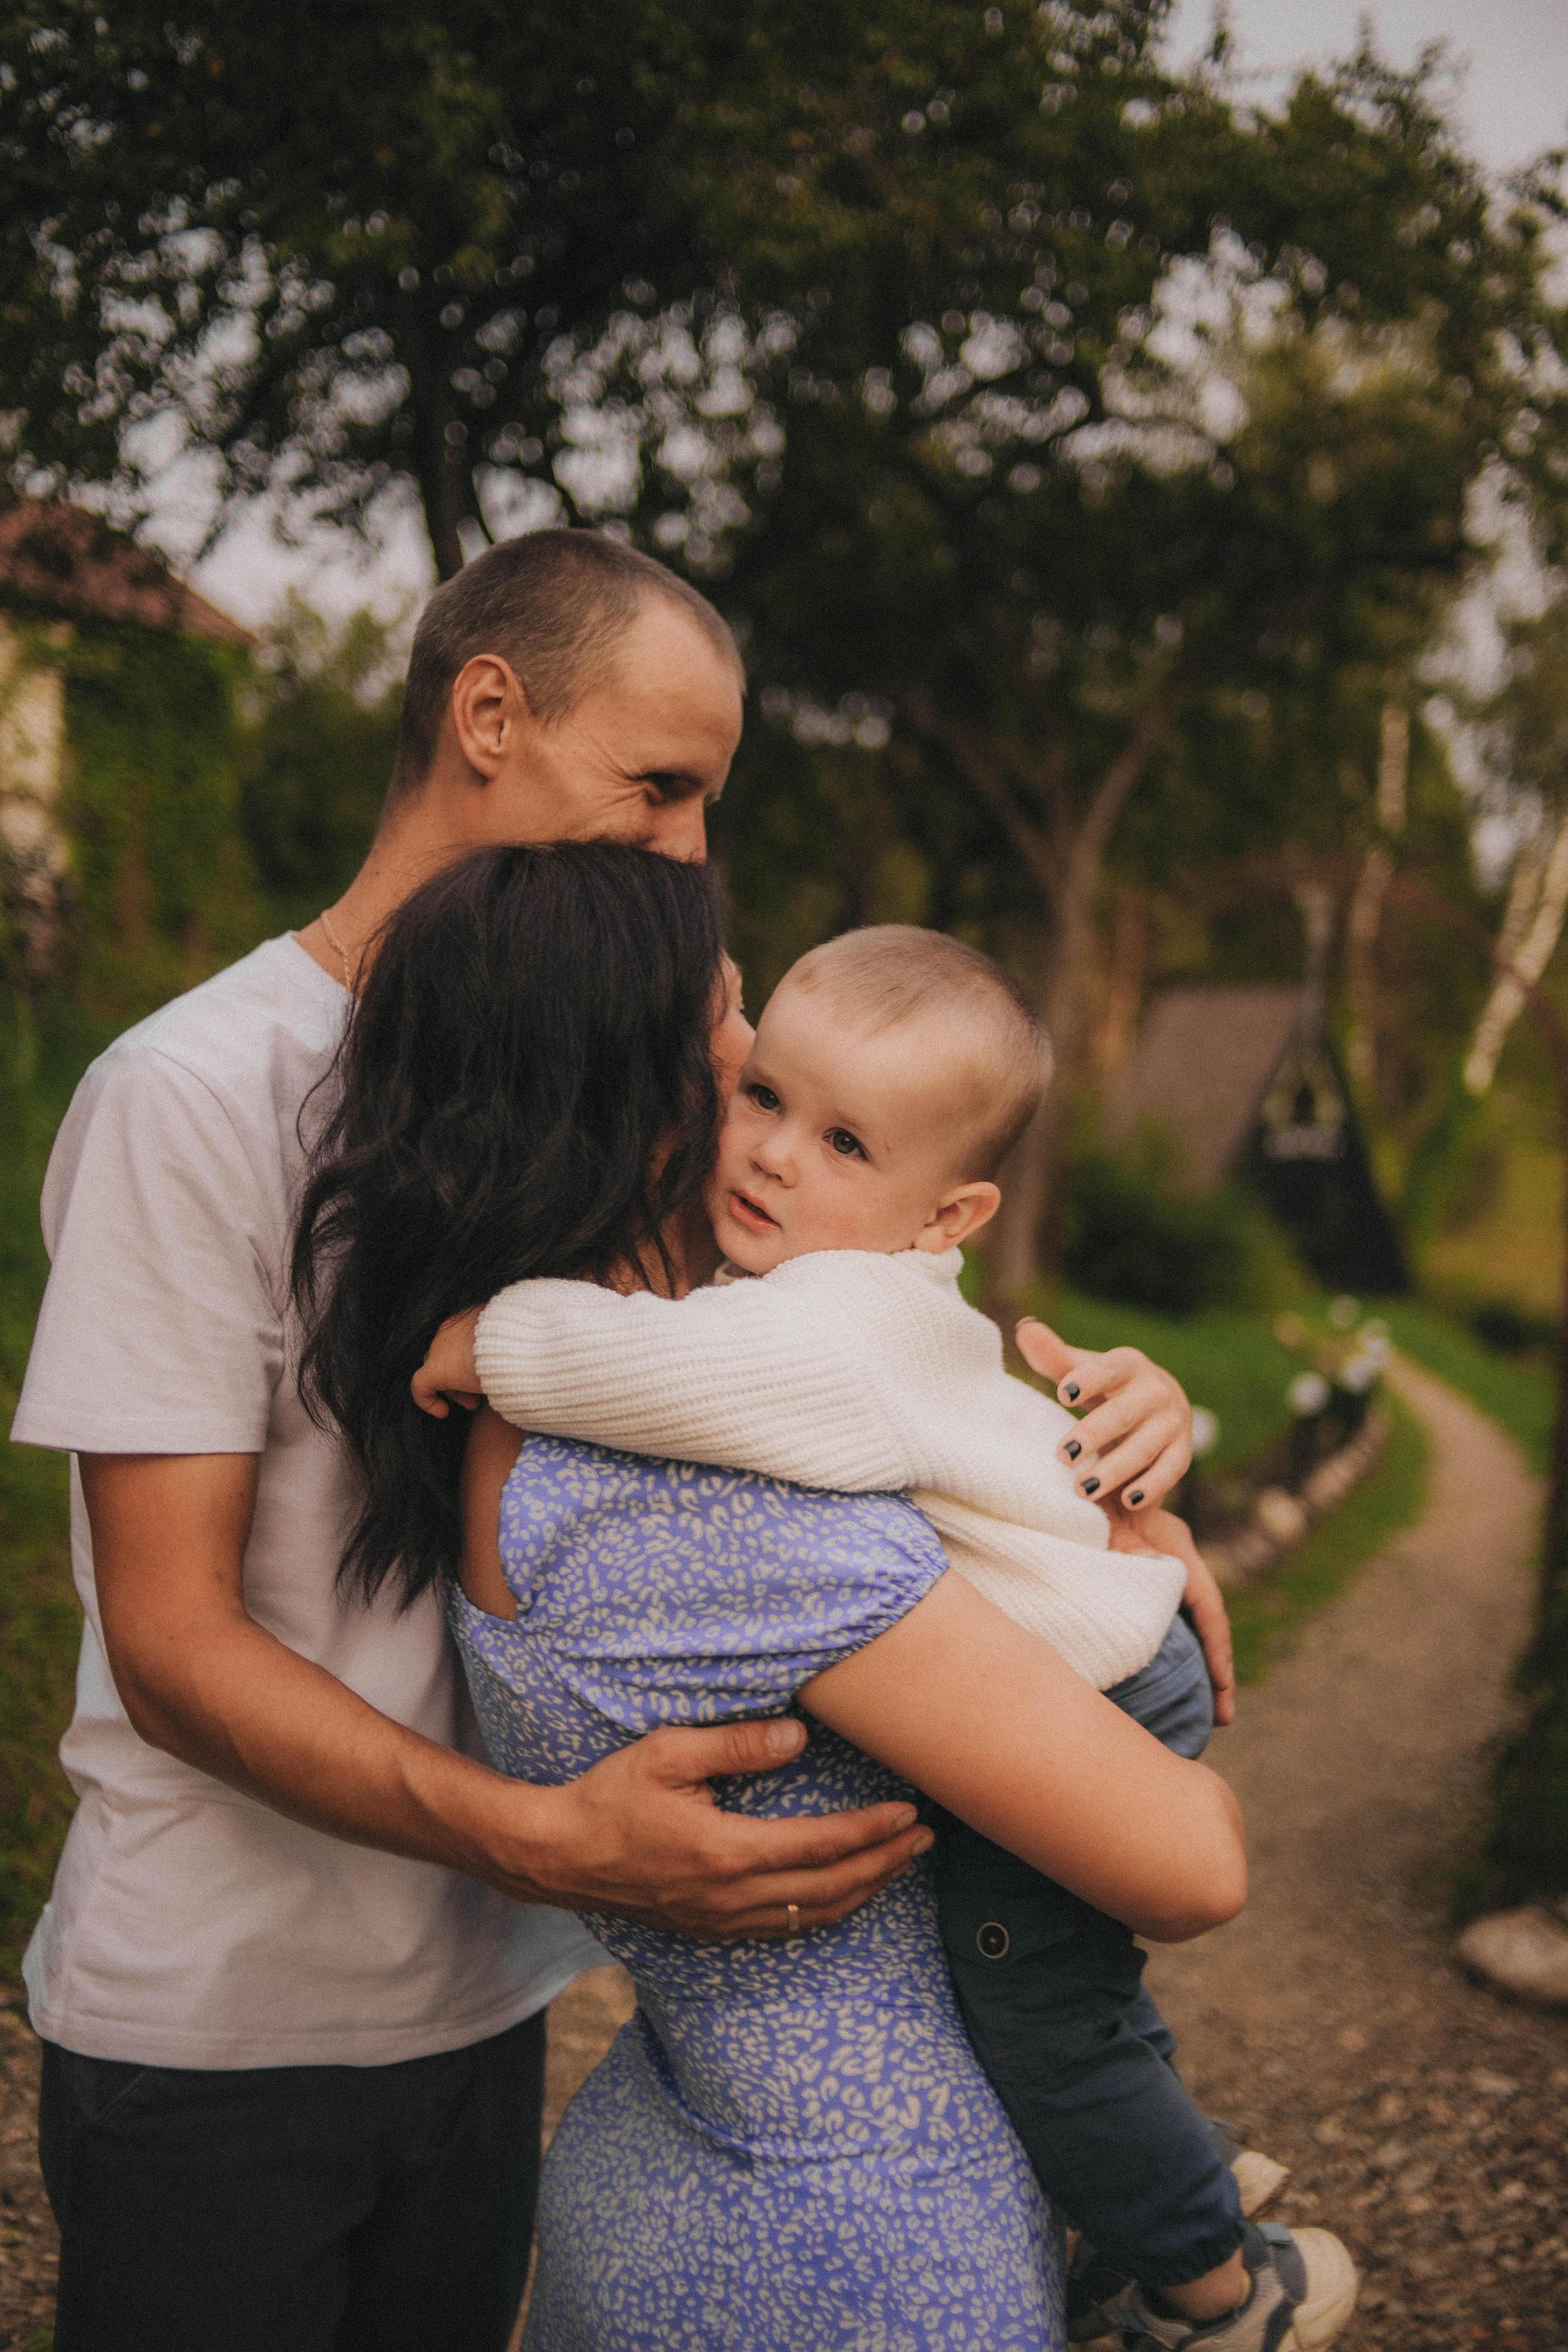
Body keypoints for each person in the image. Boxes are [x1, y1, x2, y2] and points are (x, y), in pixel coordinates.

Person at [9, 531, 949, 2352]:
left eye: (705, 806)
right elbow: (174, 1642)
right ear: (490, 717)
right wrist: (546, 1841)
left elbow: (836, 1384)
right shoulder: (189, 1093)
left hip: (481, 2007)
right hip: (221, 2038)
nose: (686, 854)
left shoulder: (598, 1091)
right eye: (659, 788)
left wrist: (1109, 1446)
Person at [297, 839, 1251, 2351]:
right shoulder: (723, 1507)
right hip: (865, 2244)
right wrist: (1133, 1553)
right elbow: (1191, 1863)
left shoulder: (540, 1448)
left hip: (658, 2168)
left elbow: (921, 1430)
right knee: (1063, 1993)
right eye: (735, 1050)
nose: (760, 1097)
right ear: (633, 1097)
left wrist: (1125, 1472)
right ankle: (1212, 2268)